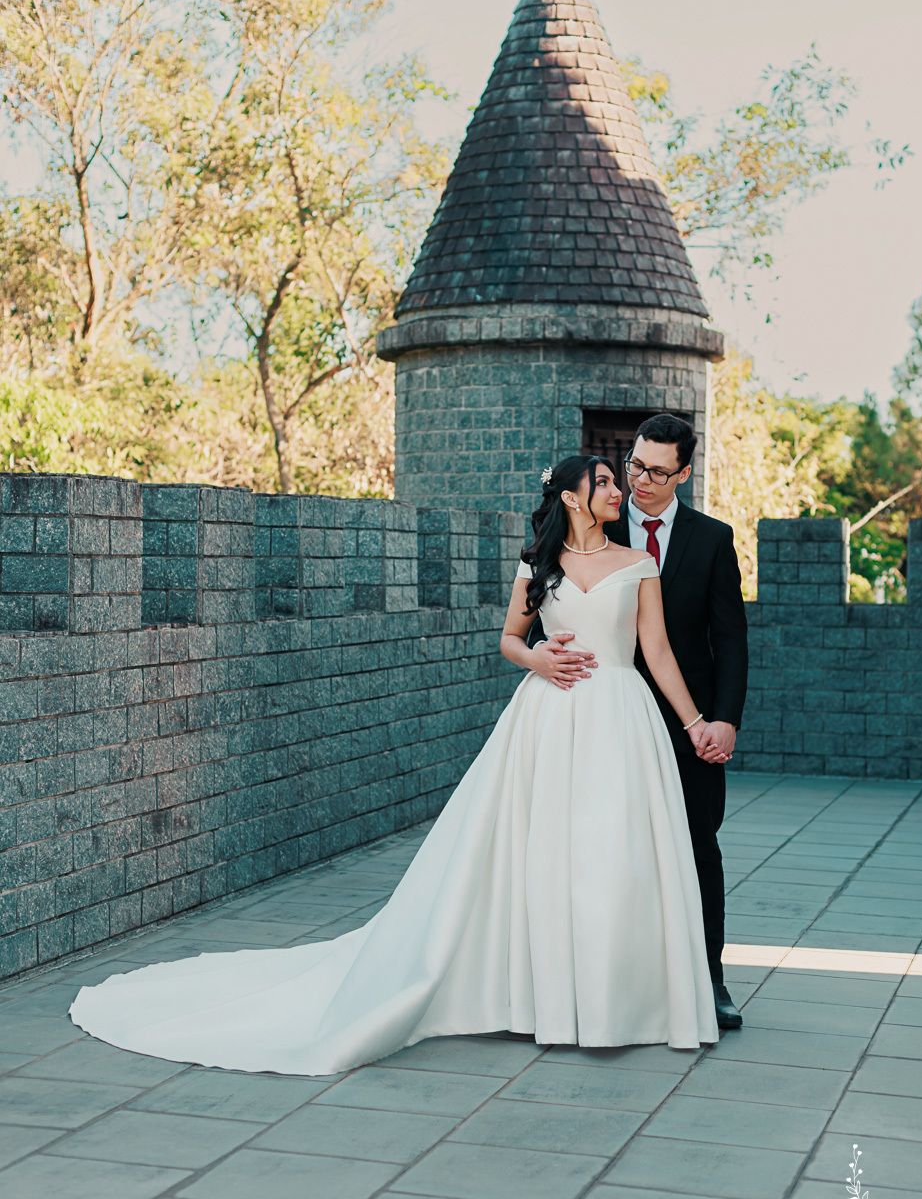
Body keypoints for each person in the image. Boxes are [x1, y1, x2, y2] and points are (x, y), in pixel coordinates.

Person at [70, 455, 719, 1075]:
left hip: (619, 717)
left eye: (615, 481)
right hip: (549, 719)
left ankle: (618, 1002)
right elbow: (509, 640)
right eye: (604, 482)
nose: (618, 490)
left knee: (615, 853)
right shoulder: (537, 566)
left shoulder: (638, 564)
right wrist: (539, 658)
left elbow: (658, 651)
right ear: (573, 497)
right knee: (546, 856)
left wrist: (694, 725)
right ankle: (544, 998)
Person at [535, 415, 748, 1029]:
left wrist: (723, 720)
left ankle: (708, 980)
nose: (640, 481)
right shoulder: (592, 521)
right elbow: (540, 608)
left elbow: (730, 639)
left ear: (684, 473)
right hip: (599, 718)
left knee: (696, 844)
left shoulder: (712, 540)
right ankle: (610, 983)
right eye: (634, 466)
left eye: (657, 471)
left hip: (688, 724)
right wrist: (540, 652)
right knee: (600, 848)